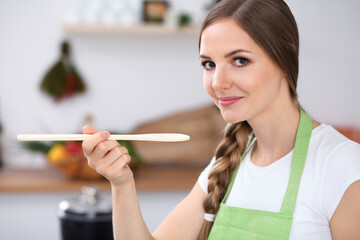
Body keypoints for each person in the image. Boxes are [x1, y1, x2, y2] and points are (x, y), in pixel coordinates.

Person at [82, 0, 360, 239]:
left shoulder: (341, 164)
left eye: (240, 61)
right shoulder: (227, 163)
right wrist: (121, 183)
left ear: (286, 57)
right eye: (209, 64)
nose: (218, 82)